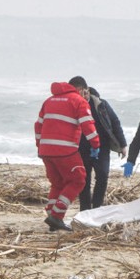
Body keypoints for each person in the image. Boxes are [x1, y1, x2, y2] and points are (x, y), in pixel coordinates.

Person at [34, 79, 100, 232]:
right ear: (81, 89)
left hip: (46, 150)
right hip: (65, 150)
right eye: (85, 91)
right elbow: (88, 125)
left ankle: (51, 214)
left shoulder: (49, 101)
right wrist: (96, 145)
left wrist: (40, 145)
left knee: (57, 183)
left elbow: (38, 125)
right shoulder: (79, 101)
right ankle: (57, 216)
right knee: (78, 180)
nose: (86, 95)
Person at [75, 81, 128, 211]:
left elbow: (115, 122)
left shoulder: (101, 104)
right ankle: (85, 210)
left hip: (102, 147)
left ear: (87, 90)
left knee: (103, 176)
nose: (83, 95)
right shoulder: (73, 105)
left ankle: (97, 208)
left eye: (83, 92)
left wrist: (123, 144)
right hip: (81, 148)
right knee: (84, 180)